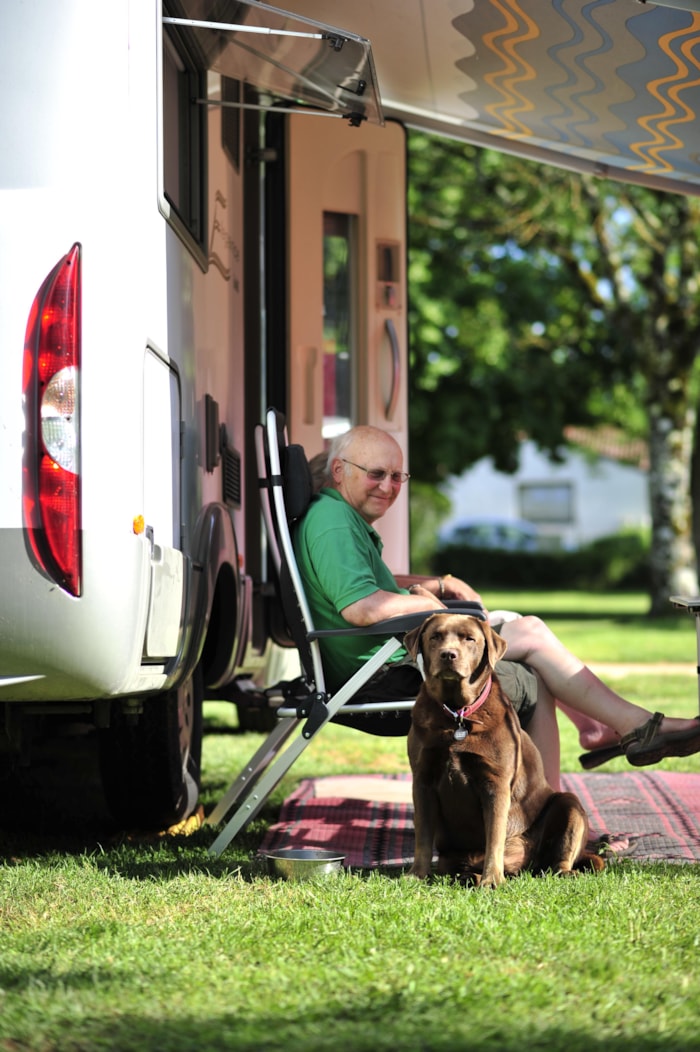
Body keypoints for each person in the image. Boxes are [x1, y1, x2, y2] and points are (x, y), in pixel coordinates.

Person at [294, 424, 700, 790]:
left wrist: (434, 585)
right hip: (381, 675)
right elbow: (362, 608)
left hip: (391, 661)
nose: (388, 486)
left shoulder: (337, 517)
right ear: (339, 471)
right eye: (376, 474)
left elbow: (369, 585)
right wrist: (434, 609)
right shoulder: (333, 523)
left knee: (527, 636)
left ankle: (602, 736)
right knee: (532, 657)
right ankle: (583, 771)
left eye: (397, 476)